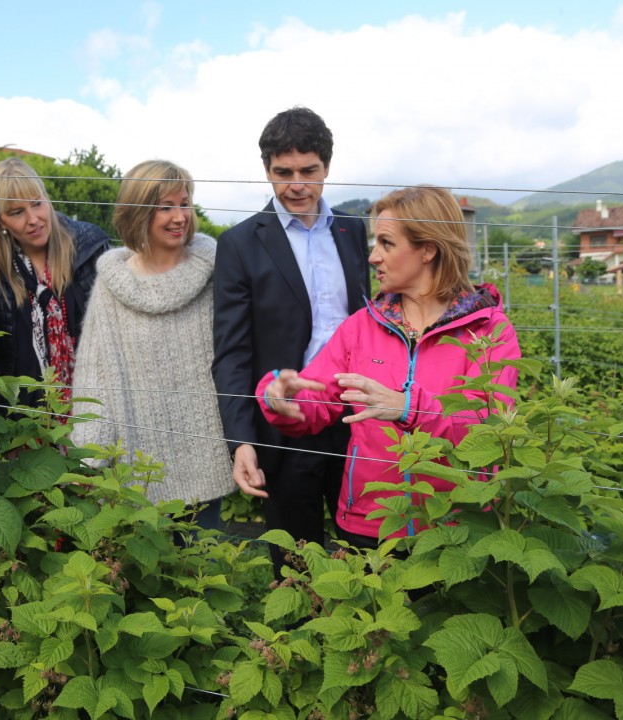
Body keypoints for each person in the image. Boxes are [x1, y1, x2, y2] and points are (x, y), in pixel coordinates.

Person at [254, 186, 521, 547]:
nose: (373, 256)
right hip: (372, 524)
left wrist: (411, 408)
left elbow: (487, 433)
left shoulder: (488, 331)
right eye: (374, 243)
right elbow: (317, 401)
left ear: (428, 249)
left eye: (386, 243)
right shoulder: (360, 327)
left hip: (457, 527)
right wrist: (281, 398)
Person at [212, 107, 370, 565]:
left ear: (327, 167)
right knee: (295, 563)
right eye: (284, 173)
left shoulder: (352, 230)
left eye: (309, 171)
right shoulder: (240, 244)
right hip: (285, 423)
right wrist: (242, 440)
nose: (297, 185)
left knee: (366, 554)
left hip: (352, 416)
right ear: (266, 169)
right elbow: (232, 352)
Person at [71, 160, 233, 528]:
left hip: (206, 454)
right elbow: (94, 375)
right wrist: (90, 457)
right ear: (139, 213)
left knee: (204, 559)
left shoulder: (216, 271)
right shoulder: (113, 286)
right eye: (165, 207)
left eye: (184, 204)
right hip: (138, 462)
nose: (179, 217)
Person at [0, 157, 109, 405]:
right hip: (29, 416)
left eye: (36, 203)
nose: (33, 219)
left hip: (96, 404)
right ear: (0, 220)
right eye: (17, 212)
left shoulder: (90, 247)